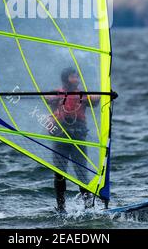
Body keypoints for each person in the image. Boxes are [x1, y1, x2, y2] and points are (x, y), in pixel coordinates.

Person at [46, 67, 100, 212]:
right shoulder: (56, 93)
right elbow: (47, 98)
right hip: (60, 138)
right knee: (59, 174)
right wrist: (50, 97)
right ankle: (61, 207)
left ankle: (89, 207)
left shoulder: (82, 94)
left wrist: (105, 94)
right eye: (72, 77)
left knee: (81, 173)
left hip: (78, 137)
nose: (76, 80)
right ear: (65, 79)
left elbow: (96, 101)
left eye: (77, 77)